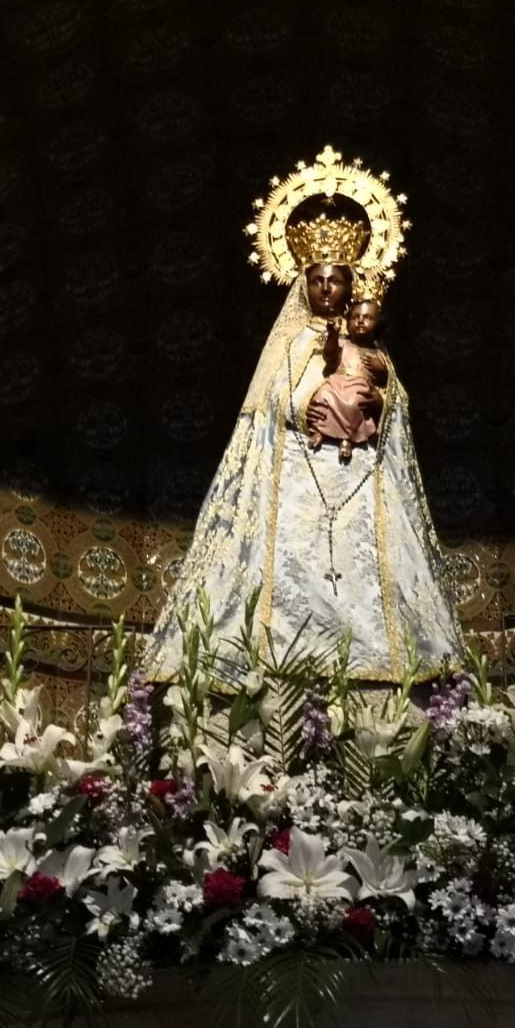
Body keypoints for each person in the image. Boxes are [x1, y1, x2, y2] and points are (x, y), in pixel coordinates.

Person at [147, 148, 466, 682]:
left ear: (351, 284)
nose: (326, 289)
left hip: (360, 478)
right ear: (302, 282)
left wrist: (381, 402)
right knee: (291, 567)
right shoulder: (293, 342)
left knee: (371, 570)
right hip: (298, 473)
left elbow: (395, 401)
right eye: (316, 280)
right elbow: (269, 403)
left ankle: (381, 662)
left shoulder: (370, 345)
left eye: (336, 280)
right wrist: (306, 403)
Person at [307, 297, 390, 463]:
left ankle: (347, 439)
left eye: (367, 318)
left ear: (377, 323)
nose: (360, 321)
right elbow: (329, 355)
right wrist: (332, 336)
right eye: (355, 317)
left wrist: (381, 369)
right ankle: (319, 431)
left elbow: (388, 380)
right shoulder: (343, 343)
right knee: (323, 396)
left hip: (359, 386)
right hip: (337, 381)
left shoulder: (378, 352)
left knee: (354, 404)